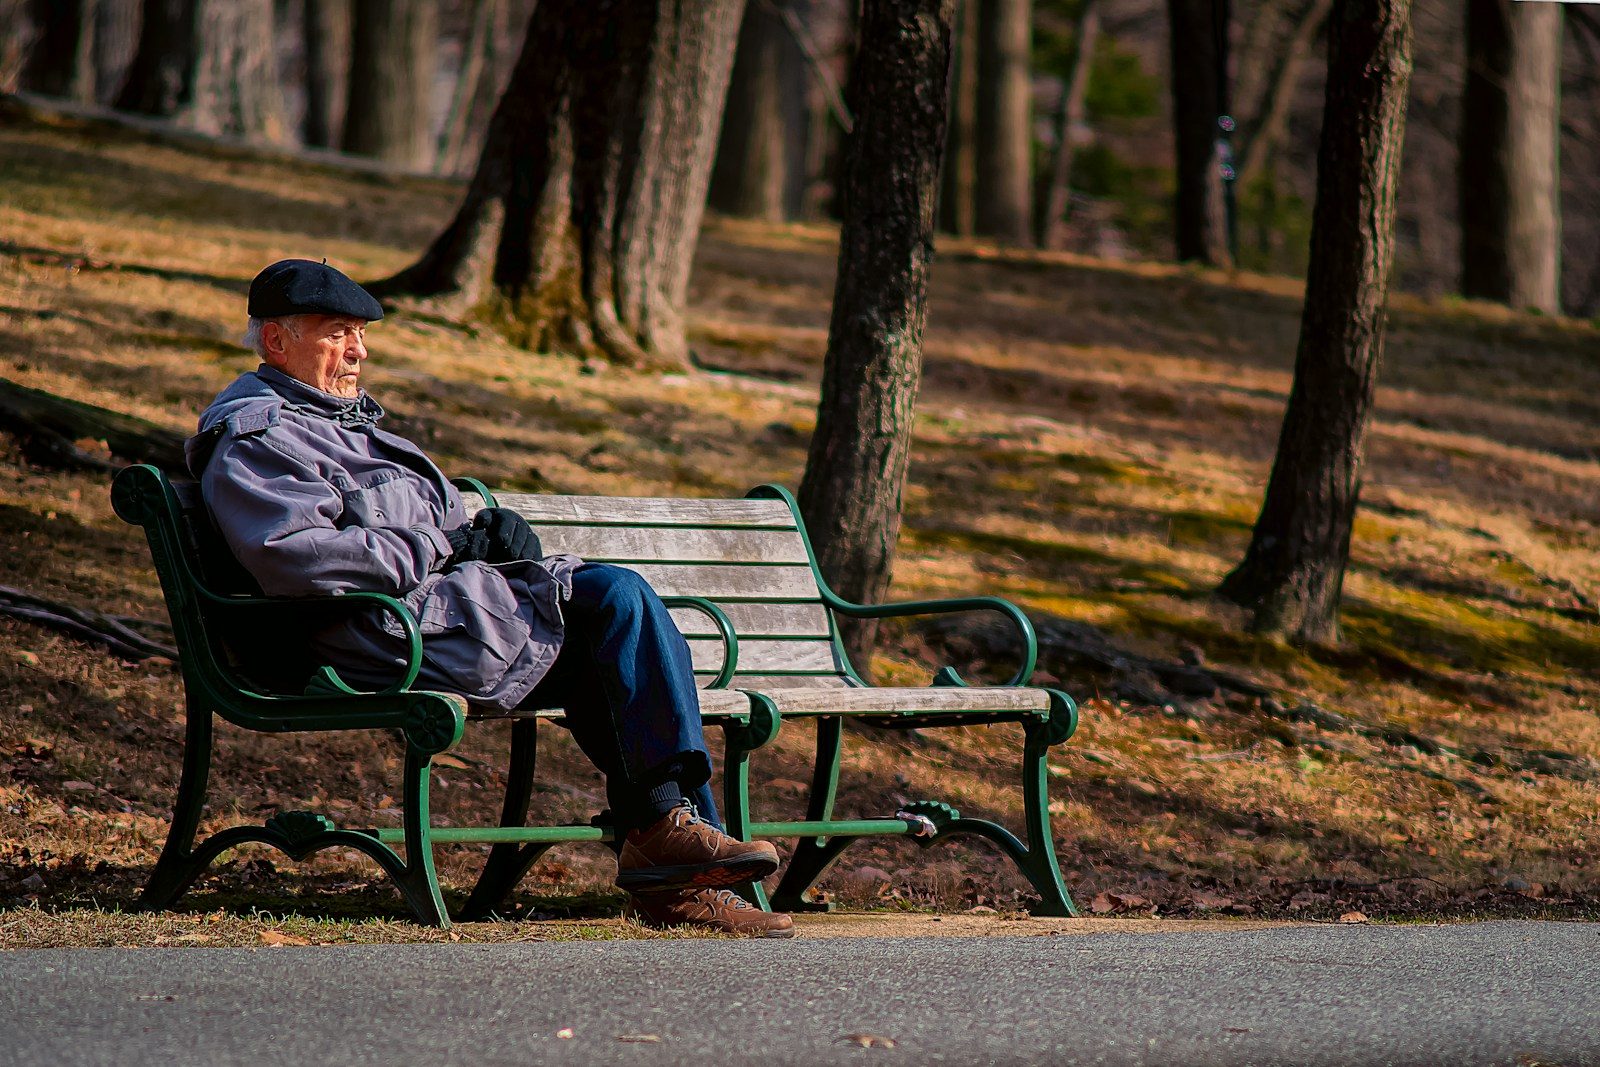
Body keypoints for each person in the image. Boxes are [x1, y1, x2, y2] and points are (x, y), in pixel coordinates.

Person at [185, 258, 794, 938]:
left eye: (360, 333)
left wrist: (493, 536)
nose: (359, 350)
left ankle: (673, 847)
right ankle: (674, 846)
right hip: (379, 637)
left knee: (622, 617)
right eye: (338, 333)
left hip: (442, 618)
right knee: (615, 601)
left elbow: (434, 522)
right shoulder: (260, 438)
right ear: (276, 341)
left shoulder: (348, 423)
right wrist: (445, 548)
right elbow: (297, 558)